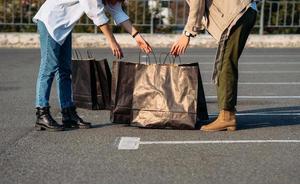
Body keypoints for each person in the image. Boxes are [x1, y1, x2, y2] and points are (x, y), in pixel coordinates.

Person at [33, 0, 152, 131]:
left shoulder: (111, 1)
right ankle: (41, 113)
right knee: (48, 67)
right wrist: (112, 41)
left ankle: (68, 113)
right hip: (50, 21)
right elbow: (96, 14)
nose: (116, 3)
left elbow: (118, 12)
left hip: (63, 27)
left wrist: (137, 36)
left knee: (65, 70)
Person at [170, 0, 257, 132]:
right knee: (226, 62)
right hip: (241, 11)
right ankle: (227, 114)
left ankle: (227, 117)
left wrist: (187, 34)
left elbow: (197, 3)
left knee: (225, 64)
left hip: (237, 14)